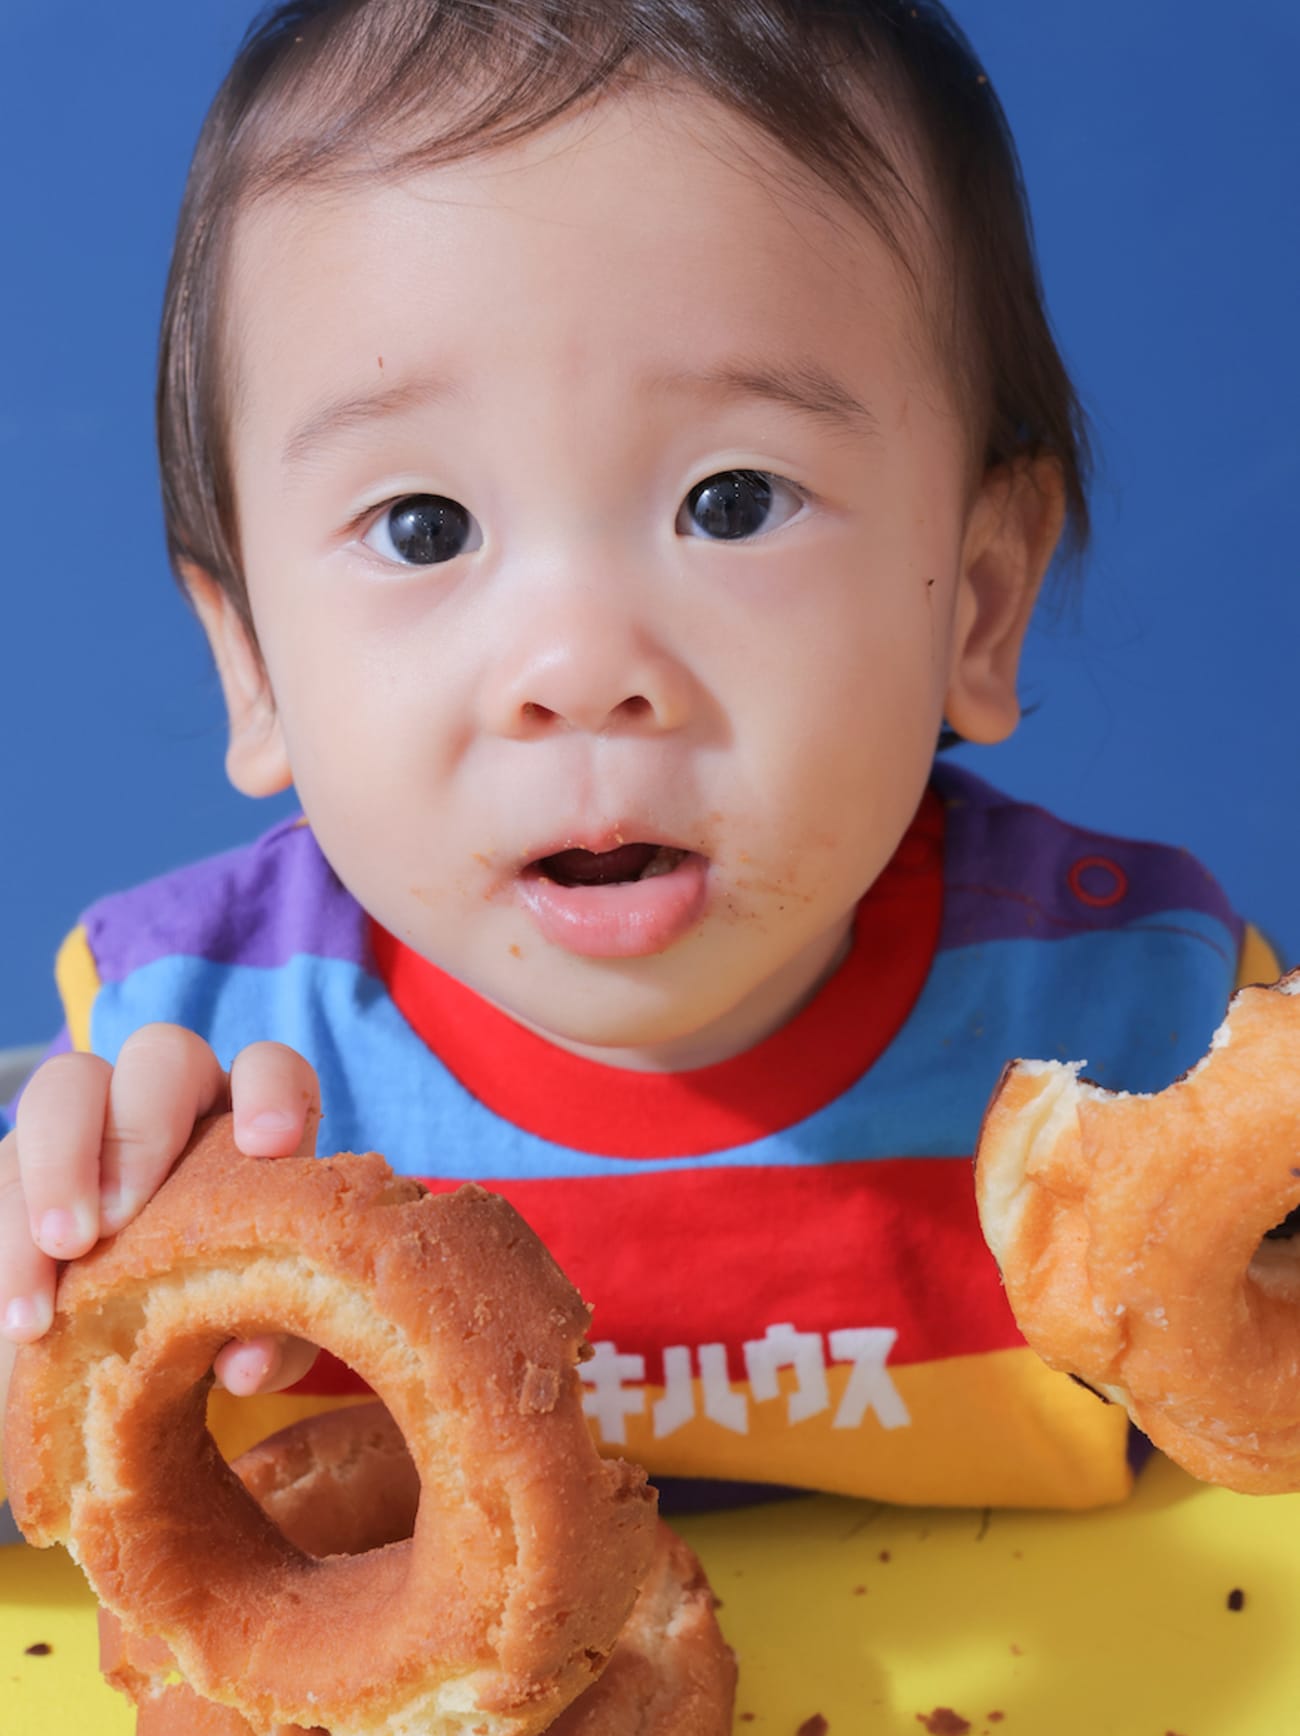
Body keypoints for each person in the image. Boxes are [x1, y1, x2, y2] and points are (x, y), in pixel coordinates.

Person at [0, 0, 1276, 1514]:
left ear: (979, 601)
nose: (581, 669)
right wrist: (43, 1297)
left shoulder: (1146, 1034)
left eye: (734, 501)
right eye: (425, 528)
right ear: (254, 664)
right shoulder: (197, 1074)